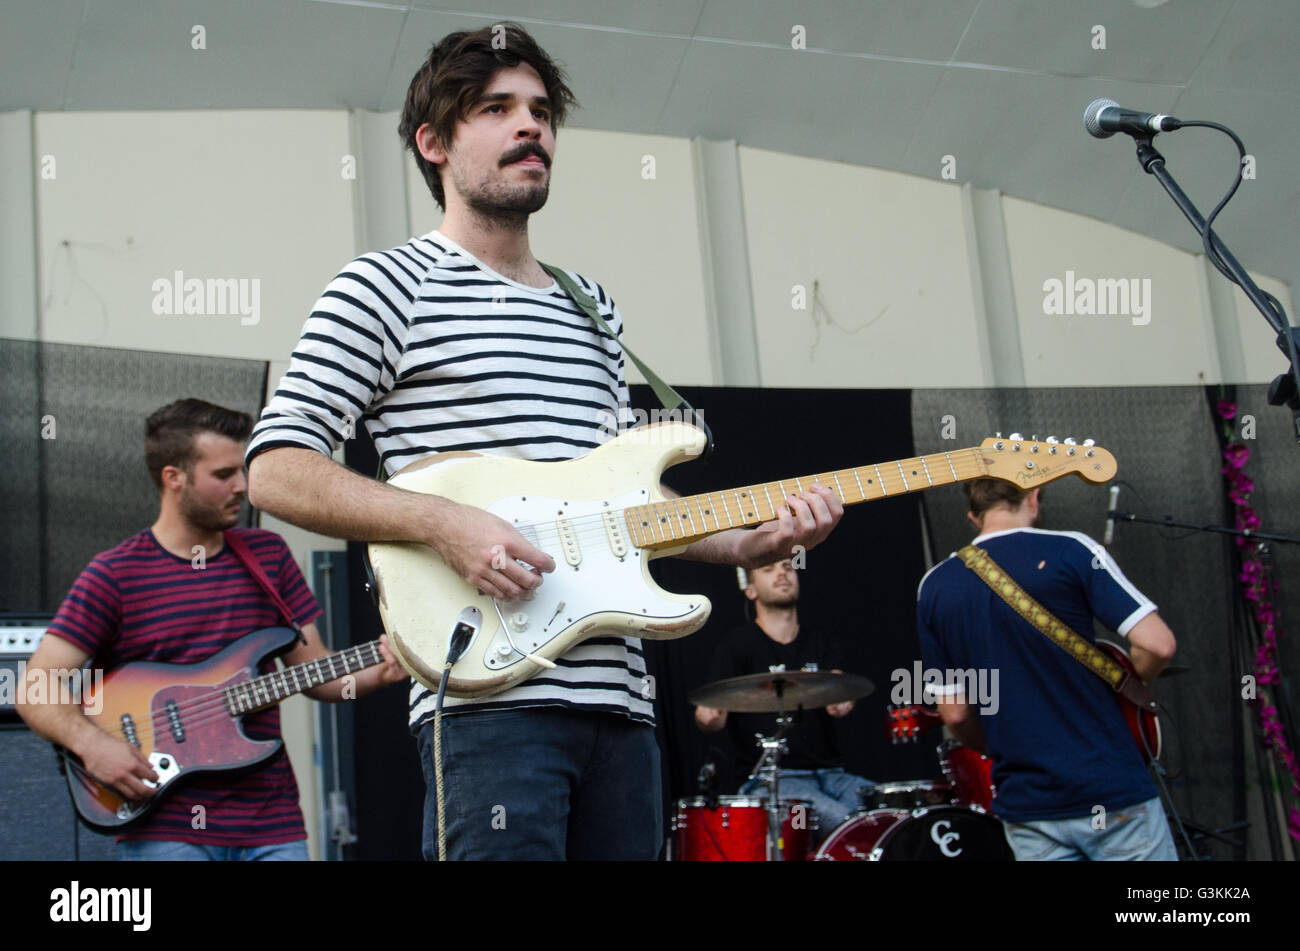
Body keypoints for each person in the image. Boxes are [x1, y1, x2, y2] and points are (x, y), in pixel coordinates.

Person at [244, 23, 843, 861]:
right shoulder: (382, 286)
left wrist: (748, 538)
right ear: (435, 143)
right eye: (497, 108)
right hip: (489, 707)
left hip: (623, 714)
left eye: (540, 110)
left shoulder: (589, 303)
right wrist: (446, 525)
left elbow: (625, 500)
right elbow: (275, 469)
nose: (532, 126)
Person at [18, 399, 406, 861]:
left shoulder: (268, 557)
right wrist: (94, 745)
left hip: (272, 821)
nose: (243, 486)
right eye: (224, 475)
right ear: (173, 478)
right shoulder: (114, 574)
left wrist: (377, 672)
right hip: (165, 826)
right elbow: (35, 689)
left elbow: (318, 673)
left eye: (242, 471)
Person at [915, 478, 1178, 861]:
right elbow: (1158, 644)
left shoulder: (935, 585)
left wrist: (1012, 748)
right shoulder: (1071, 549)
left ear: (973, 516)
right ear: (1033, 497)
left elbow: (954, 713)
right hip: (1108, 789)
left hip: (1027, 804)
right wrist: (1128, 689)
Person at [694, 559, 874, 840]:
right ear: (750, 590)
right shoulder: (737, 647)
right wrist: (709, 718)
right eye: (768, 570)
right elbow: (709, 718)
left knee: (885, 812)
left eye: (788, 567)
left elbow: (841, 687)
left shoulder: (821, 642)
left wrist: (843, 700)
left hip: (832, 775)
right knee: (843, 822)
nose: (781, 573)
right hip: (769, 782)